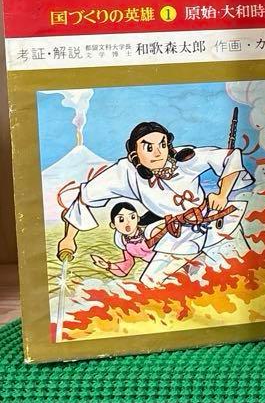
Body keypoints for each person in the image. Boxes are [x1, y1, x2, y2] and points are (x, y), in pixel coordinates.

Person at [56, 120, 253, 285]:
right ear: (134, 152)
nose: (158, 153)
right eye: (149, 147)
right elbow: (86, 196)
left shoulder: (185, 158)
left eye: (163, 145)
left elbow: (229, 158)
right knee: (151, 282)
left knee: (243, 272)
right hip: (177, 235)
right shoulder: (125, 173)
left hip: (214, 222)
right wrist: (68, 238)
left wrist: (222, 194)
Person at [89, 201, 156, 279]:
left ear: (137, 219)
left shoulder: (149, 231)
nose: (128, 222)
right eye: (121, 219)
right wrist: (108, 265)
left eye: (132, 217)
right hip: (155, 264)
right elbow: (129, 263)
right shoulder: (123, 241)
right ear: (113, 225)